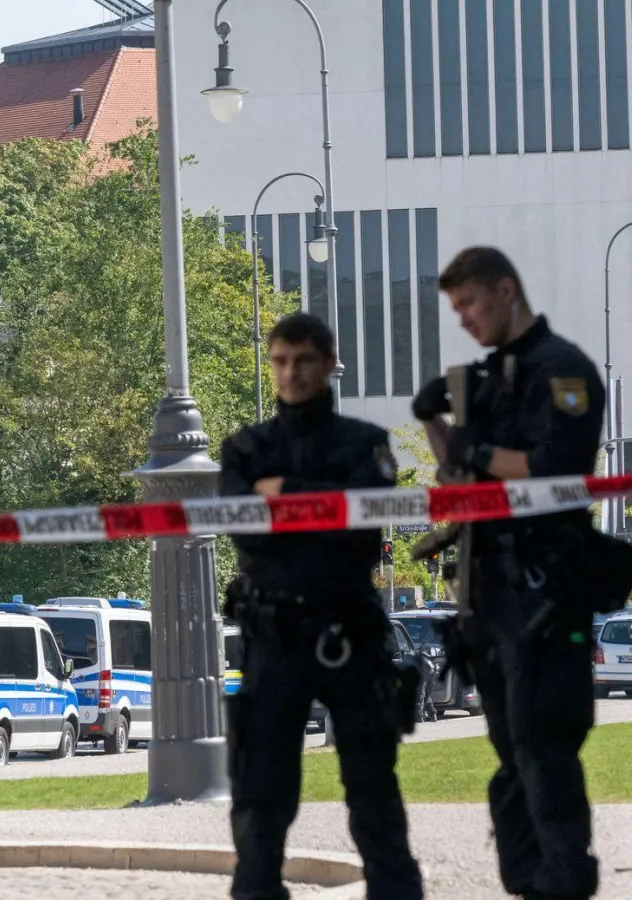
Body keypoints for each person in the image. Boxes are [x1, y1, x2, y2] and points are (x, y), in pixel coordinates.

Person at [412, 246, 606, 900]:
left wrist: (475, 446)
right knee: (511, 761)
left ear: (506, 290)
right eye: (456, 308)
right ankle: (531, 883)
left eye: (469, 303)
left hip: (545, 593)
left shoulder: (562, 370)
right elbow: (458, 478)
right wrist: (434, 420)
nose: (463, 318)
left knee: (543, 751)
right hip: (488, 596)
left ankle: (564, 881)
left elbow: (558, 464)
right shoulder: (489, 380)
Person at [220, 312, 424, 900]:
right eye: (280, 360)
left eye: (303, 360)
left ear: (328, 364)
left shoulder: (365, 443)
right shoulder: (246, 448)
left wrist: (281, 495)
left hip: (349, 632)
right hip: (273, 636)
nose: (291, 372)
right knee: (260, 799)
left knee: (374, 793)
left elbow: (360, 529)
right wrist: (322, 501)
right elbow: (247, 532)